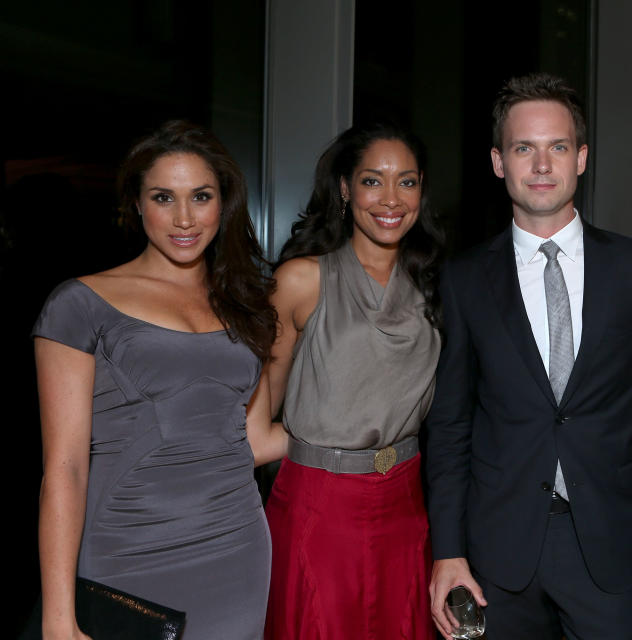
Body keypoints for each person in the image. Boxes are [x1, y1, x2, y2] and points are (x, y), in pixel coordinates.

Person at [425, 72, 632, 640]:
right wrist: (448, 552)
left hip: (610, 545)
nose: (541, 164)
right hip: (499, 553)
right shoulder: (463, 280)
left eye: (557, 147)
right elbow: (451, 424)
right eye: (523, 148)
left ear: (581, 158)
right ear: (497, 162)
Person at [33, 121, 284, 639]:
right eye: (164, 197)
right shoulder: (78, 304)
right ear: (136, 203)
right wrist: (58, 617)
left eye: (202, 196)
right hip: (127, 553)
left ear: (224, 203)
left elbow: (248, 438)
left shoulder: (244, 304)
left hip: (237, 548)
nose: (185, 218)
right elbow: (65, 468)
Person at [263, 122, 444, 639]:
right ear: (345, 188)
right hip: (319, 507)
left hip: (406, 503)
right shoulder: (300, 280)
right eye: (372, 181)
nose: (391, 199)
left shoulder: (434, 284)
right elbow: (257, 413)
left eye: (406, 182)